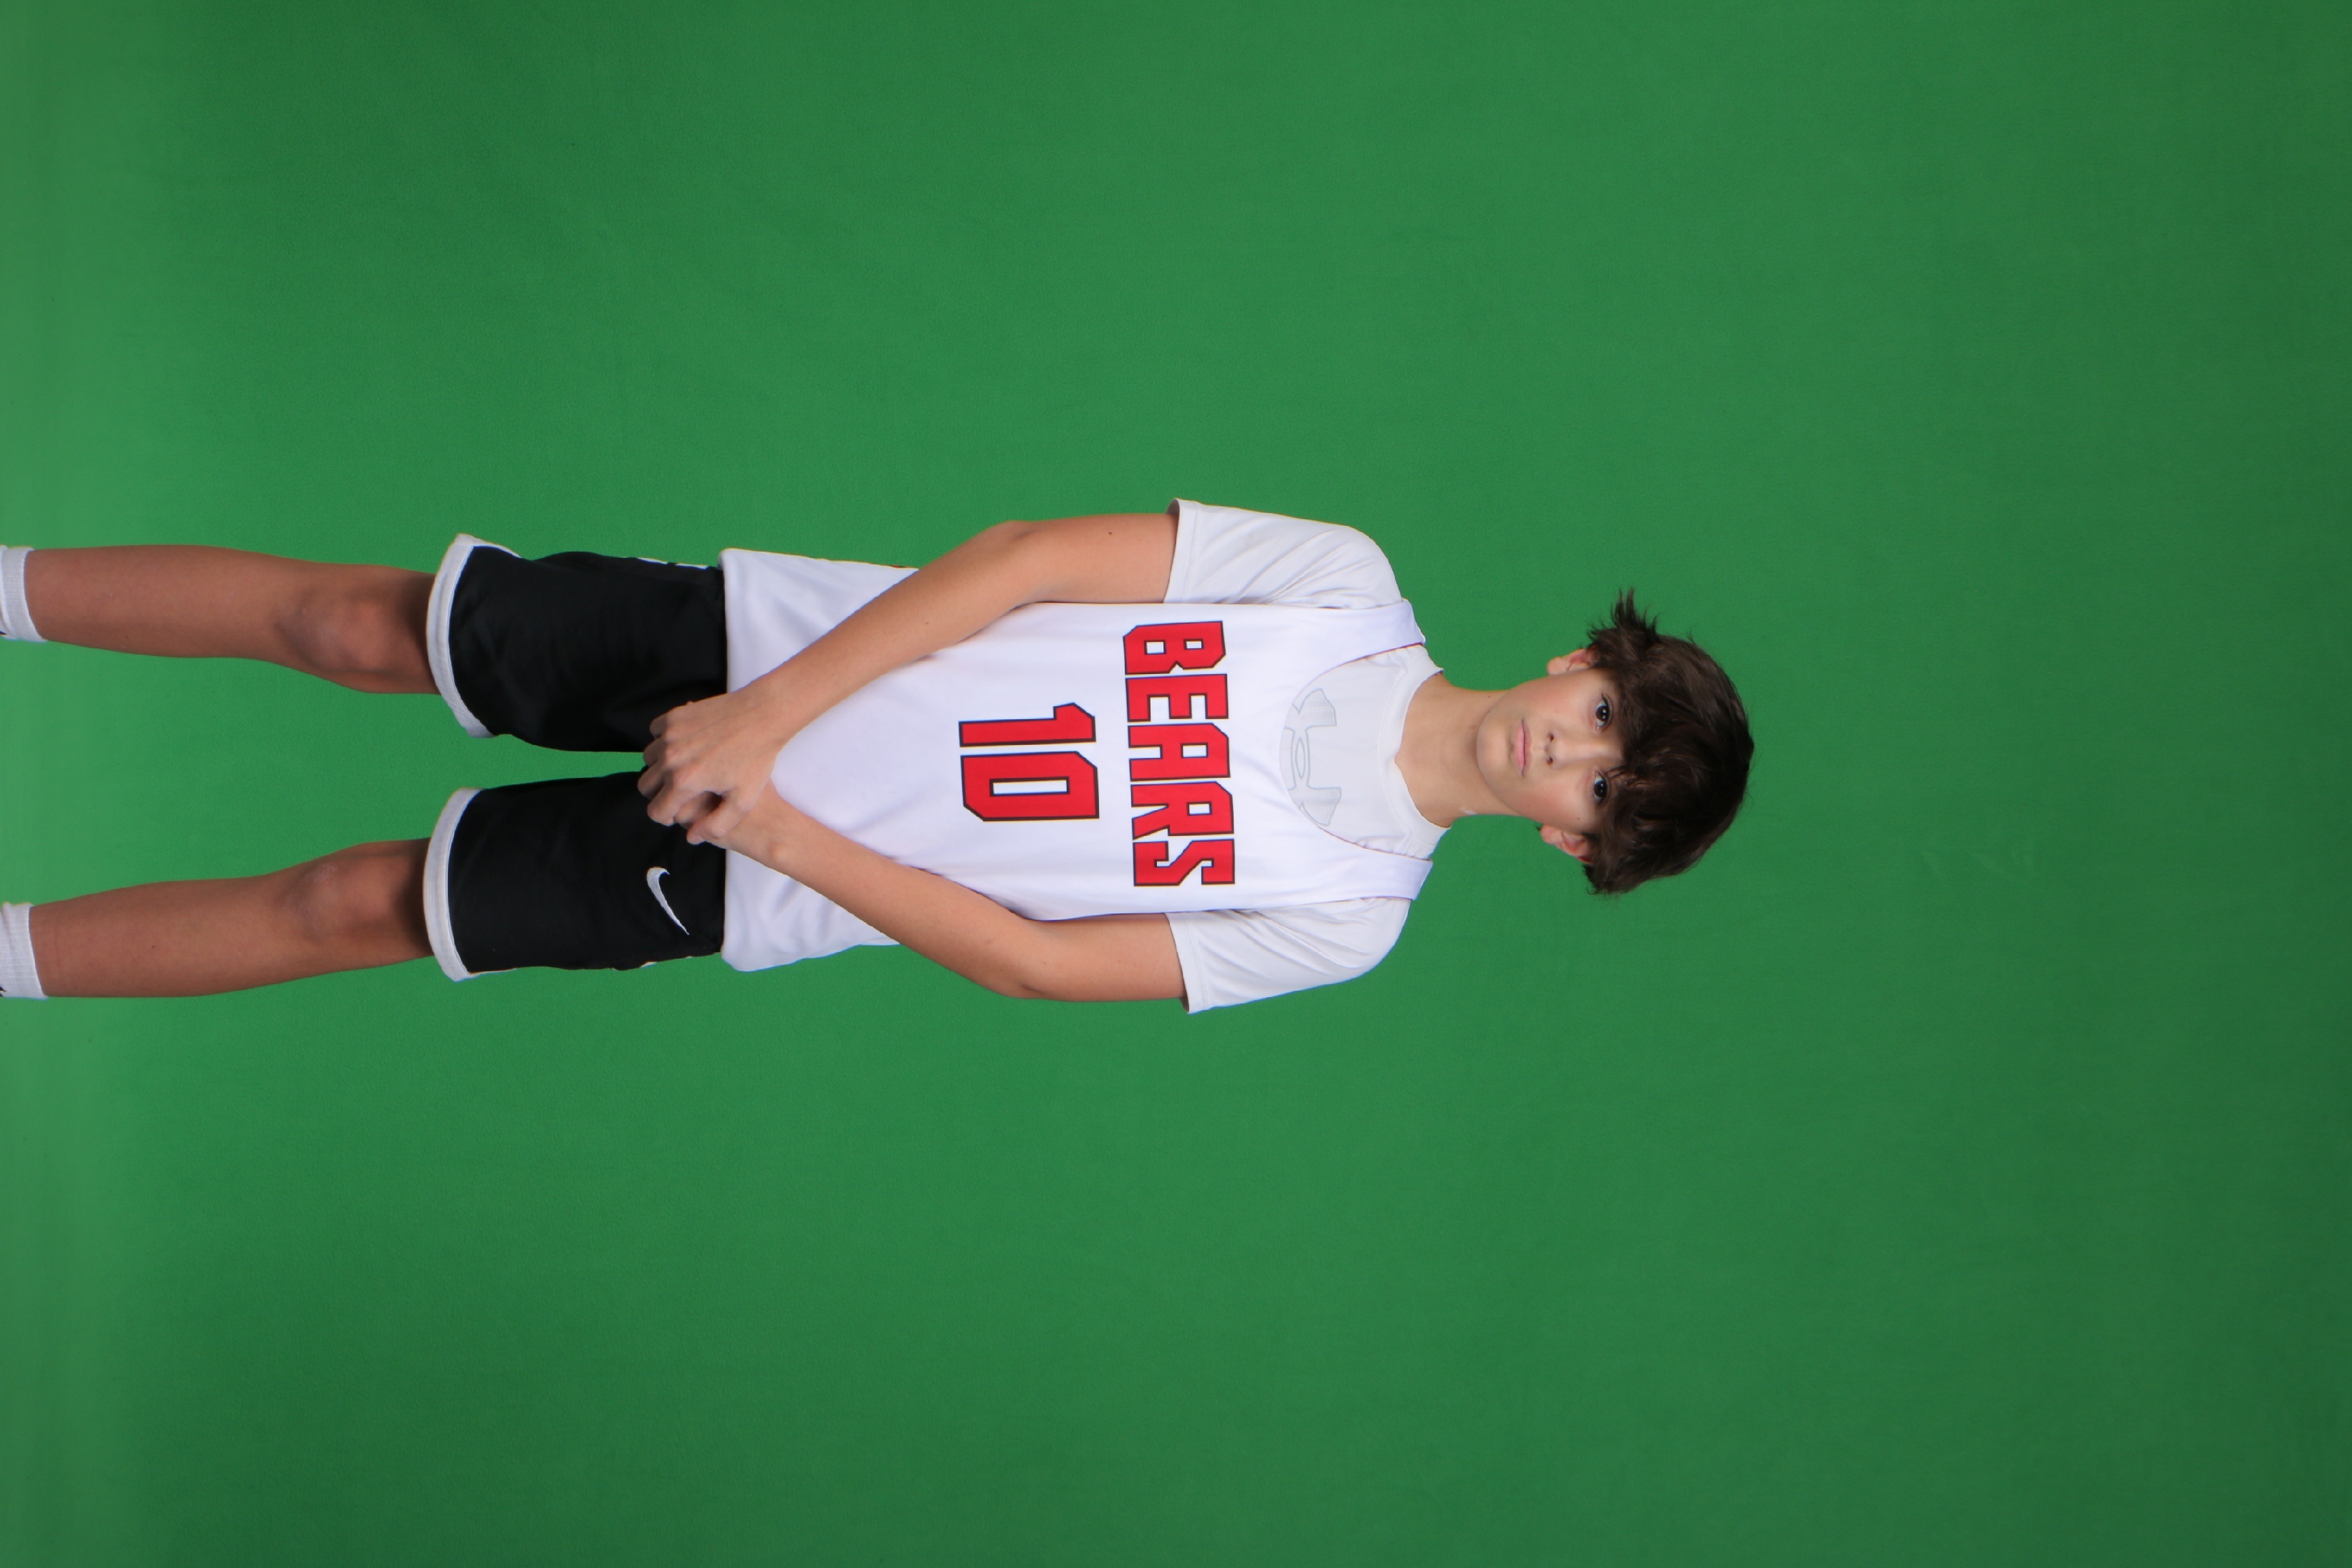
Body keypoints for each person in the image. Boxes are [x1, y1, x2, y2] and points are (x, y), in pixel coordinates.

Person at [0, 501, 1752, 1009]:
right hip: (760, 653)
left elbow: (1034, 962)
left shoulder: (1347, 914)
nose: (1570, 749)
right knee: (351, 625)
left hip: (755, 874)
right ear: (1578, 663)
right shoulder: (1341, 586)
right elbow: (1023, 563)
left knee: (350, 904)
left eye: (1600, 790)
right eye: (1606, 715)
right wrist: (768, 713)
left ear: (1568, 841)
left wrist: (774, 826)